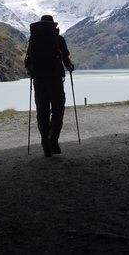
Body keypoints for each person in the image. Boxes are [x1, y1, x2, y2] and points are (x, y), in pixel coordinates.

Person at [24, 15, 74, 157]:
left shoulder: (33, 40)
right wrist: (70, 68)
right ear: (53, 25)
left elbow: (28, 61)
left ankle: (45, 143)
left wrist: (32, 73)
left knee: (42, 112)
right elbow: (65, 59)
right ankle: (53, 140)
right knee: (58, 111)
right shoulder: (58, 39)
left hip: (39, 81)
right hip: (55, 80)